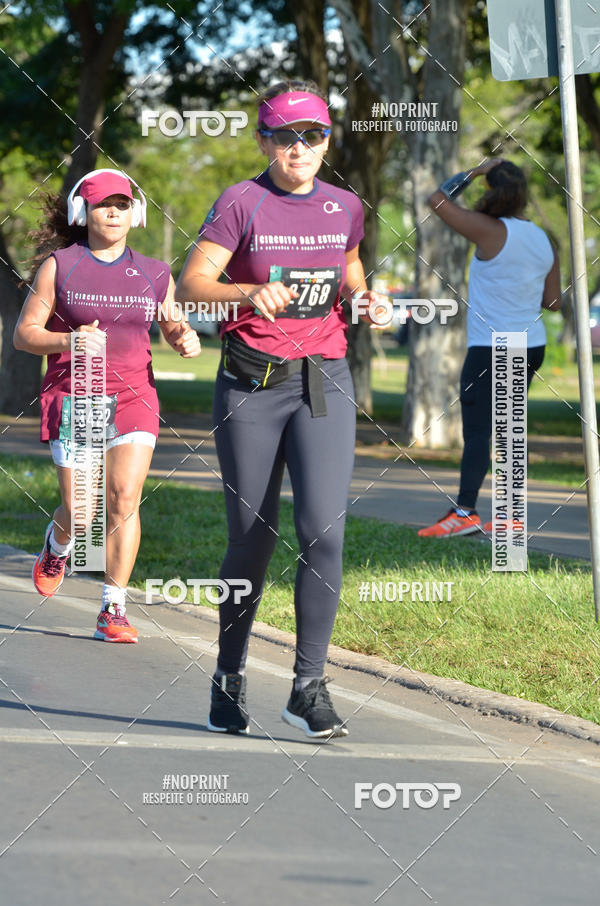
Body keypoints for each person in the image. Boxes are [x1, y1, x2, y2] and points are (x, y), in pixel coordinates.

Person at [176, 79, 386, 737]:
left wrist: (366, 304)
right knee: (252, 537)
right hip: (251, 386)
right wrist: (246, 293)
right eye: (287, 135)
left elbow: (348, 277)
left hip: (322, 379)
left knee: (325, 532)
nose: (300, 147)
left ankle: (307, 687)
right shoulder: (242, 202)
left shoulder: (345, 205)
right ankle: (229, 674)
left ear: (327, 140)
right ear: (265, 139)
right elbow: (192, 286)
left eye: (313, 134)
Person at [14, 168, 201, 641]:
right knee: (82, 512)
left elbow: (172, 323)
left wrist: (182, 337)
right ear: (84, 212)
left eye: (122, 204)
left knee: (122, 500)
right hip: (76, 396)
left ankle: (112, 609)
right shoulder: (61, 265)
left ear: (135, 212)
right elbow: (24, 335)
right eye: (103, 204)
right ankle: (59, 543)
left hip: (135, 395)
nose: (114, 212)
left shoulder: (156, 271)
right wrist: (70, 339)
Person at [418, 159, 561, 538]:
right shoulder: (544, 238)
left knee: (480, 431)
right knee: (512, 429)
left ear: (489, 191)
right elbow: (553, 302)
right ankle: (511, 517)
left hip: (490, 347)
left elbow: (436, 199)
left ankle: (465, 512)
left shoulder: (488, 229)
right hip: (531, 343)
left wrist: (473, 171)